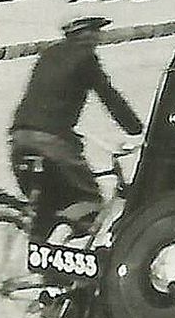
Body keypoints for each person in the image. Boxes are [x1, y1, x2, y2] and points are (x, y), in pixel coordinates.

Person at [9, 16, 143, 235]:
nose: (99, 37)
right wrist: (135, 128)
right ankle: (67, 253)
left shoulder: (49, 53)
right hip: (51, 141)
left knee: (48, 204)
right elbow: (109, 96)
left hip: (20, 136)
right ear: (86, 34)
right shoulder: (85, 59)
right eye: (96, 32)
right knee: (88, 200)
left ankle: (42, 253)